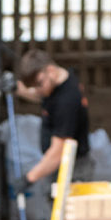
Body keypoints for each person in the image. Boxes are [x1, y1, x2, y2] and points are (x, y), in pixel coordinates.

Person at [14, 49, 91, 201]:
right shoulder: (55, 85)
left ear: (50, 70)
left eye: (38, 84)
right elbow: (40, 95)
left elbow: (58, 151)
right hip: (57, 167)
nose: (37, 90)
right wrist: (17, 88)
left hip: (72, 170)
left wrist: (29, 178)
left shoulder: (67, 101)